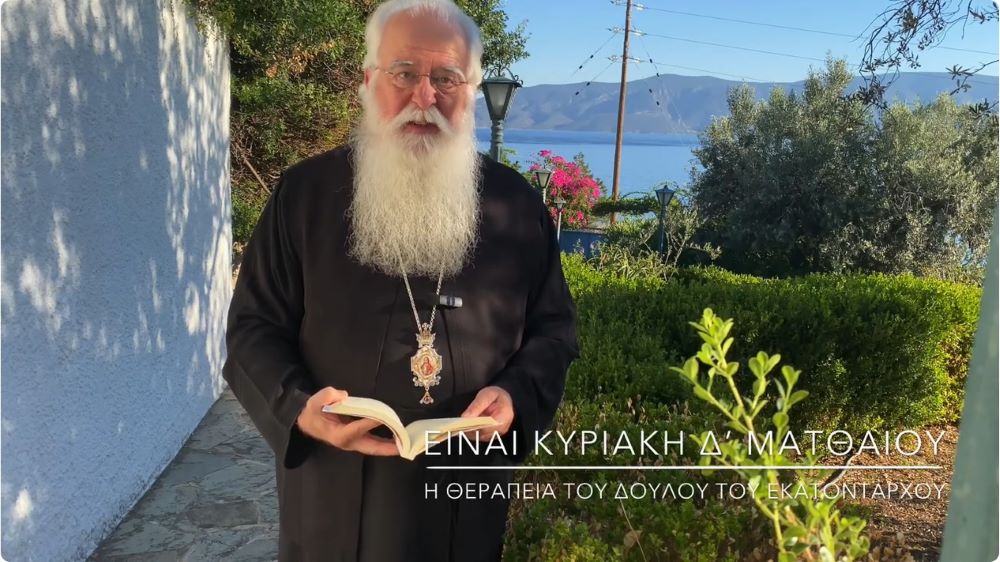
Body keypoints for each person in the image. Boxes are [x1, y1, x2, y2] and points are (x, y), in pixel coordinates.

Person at [222, 0, 579, 560]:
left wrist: (514, 394)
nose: (424, 97)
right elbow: (252, 327)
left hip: (466, 488)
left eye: (446, 78)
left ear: (470, 92)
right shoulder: (305, 197)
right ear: (369, 82)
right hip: (334, 492)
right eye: (405, 73)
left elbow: (554, 329)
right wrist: (298, 407)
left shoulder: (515, 204)